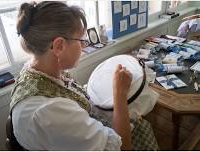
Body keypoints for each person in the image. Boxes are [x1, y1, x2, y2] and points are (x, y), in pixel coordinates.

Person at [11, 1, 158, 150]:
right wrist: (119, 93)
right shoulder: (48, 112)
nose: (83, 46)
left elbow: (71, 97)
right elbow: (121, 148)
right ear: (59, 46)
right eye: (81, 40)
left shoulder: (38, 71)